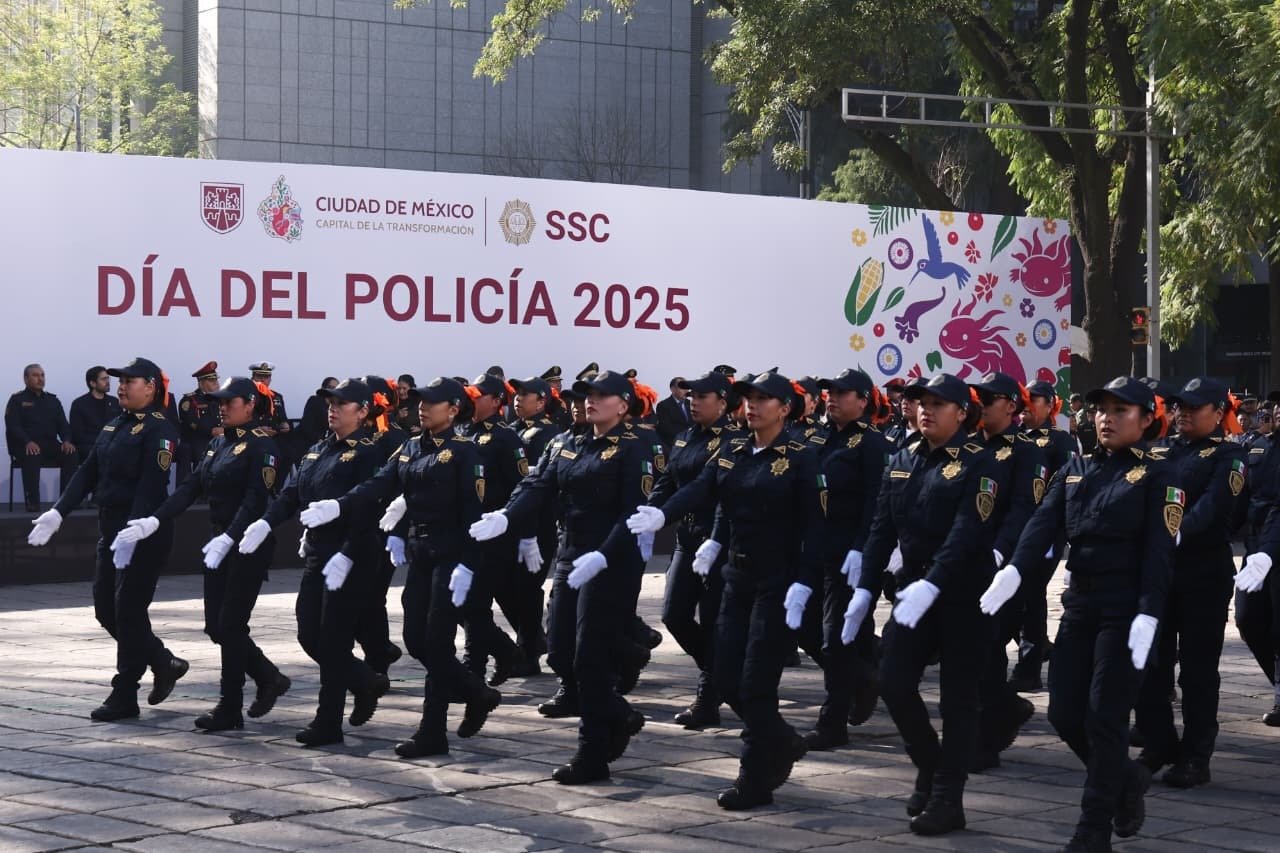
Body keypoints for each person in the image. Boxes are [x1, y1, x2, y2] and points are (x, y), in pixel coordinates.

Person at [979, 376, 1180, 851]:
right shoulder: (1074, 469)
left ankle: (1093, 830)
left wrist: (1150, 613)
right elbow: (1041, 525)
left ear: (1147, 419)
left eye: (1120, 410)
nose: (1106, 418)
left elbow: (1160, 550)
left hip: (1127, 609)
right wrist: (1014, 572)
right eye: (1100, 410)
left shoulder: (1157, 474)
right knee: (1065, 713)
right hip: (1080, 605)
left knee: (1104, 718)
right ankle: (1125, 778)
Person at [628, 370, 822, 810]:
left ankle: (754, 777)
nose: (752, 406)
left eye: (763, 399)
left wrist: (806, 582)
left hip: (779, 582)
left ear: (785, 408)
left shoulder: (802, 457)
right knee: (727, 674)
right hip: (737, 576)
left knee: (756, 682)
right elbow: (700, 487)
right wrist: (662, 515)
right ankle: (783, 738)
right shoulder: (732, 448)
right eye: (747, 399)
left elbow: (816, 526)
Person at [471, 369, 649, 785]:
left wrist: (604, 556)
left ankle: (592, 752)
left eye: (601, 396)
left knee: (590, 657)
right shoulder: (565, 442)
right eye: (585, 395)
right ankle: (619, 714)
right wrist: (506, 516)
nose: (589, 402)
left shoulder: (637, 445)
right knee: (561, 651)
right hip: (571, 553)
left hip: (612, 559)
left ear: (623, 405)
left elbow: (635, 512)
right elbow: (536, 485)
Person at [841, 373, 998, 835]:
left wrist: (936, 582)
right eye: (920, 402)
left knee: (958, 697)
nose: (925, 410)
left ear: (962, 412)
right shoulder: (903, 458)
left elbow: (969, 532)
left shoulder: (980, 463)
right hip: (912, 591)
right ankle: (930, 764)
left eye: (937, 403)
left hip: (963, 593)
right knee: (892, 680)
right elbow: (881, 528)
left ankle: (949, 796)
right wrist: (866, 589)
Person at [319, 377, 502, 757]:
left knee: (435, 640)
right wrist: (342, 505)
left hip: (451, 553)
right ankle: (475, 691)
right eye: (419, 401)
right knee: (417, 640)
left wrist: (469, 564)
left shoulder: (464, 452)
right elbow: (380, 485)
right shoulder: (410, 446)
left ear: (453, 409)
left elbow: (473, 512)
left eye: (431, 402)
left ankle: (432, 730)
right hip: (421, 553)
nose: (421, 407)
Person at [113, 377, 290, 731]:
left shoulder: (263, 446)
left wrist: (230, 537)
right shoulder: (218, 445)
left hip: (245, 545)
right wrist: (155, 519)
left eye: (230, 402)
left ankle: (230, 705)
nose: (222, 408)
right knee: (216, 626)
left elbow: (257, 499)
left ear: (251, 404)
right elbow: (190, 487)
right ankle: (268, 676)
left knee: (231, 624)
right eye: (220, 402)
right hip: (217, 543)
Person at [27, 357, 187, 721]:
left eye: (130, 381)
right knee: (106, 610)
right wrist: (58, 512)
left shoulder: (161, 429)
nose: (121, 386)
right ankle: (164, 662)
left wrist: (133, 531)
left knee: (128, 612)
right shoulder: (115, 425)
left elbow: (152, 484)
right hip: (111, 527)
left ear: (150, 386)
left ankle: (125, 693)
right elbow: (87, 472)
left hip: (142, 531)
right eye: (119, 380)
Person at [237, 378, 390, 747]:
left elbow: (369, 509)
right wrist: (265, 522)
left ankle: (328, 722)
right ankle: (365, 681)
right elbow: (292, 495)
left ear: (364, 411)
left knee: (334, 640)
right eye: (330, 403)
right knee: (310, 635)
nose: (333, 409)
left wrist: (348, 553)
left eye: (342, 404)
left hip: (351, 556)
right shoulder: (319, 448)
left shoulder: (370, 453)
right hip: (319, 553)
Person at [1133, 378, 1245, 789]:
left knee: (1197, 671)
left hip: (1203, 576)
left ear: (1218, 412)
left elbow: (1212, 509)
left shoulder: (1230, 456)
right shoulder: (1160, 450)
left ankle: (1197, 755)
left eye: (1194, 408)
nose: (1182, 414)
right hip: (1158, 574)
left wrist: (1166, 536)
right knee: (1150, 664)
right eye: (1179, 406)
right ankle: (1159, 741)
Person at [796, 369, 888, 750]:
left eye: (842, 392)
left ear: (863, 400)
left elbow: (877, 501)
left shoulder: (872, 443)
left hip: (850, 554)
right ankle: (864, 679)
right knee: (804, 628)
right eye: (829, 392)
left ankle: (833, 721)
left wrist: (862, 547)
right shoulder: (816, 436)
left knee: (838, 637)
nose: (832, 398)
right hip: (814, 548)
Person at [648, 369, 739, 729]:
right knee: (674, 615)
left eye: (701, 397)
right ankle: (721, 676)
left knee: (715, 621)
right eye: (690, 397)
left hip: (718, 541)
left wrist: (664, 512)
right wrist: (652, 510)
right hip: (687, 540)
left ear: (722, 402)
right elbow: (669, 479)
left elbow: (705, 487)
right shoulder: (686, 437)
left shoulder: (734, 440)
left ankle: (708, 698)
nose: (693, 402)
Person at [967, 373, 1047, 772]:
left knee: (988, 647)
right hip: (963, 561)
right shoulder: (967, 445)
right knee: (969, 650)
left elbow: (1025, 509)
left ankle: (985, 739)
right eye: (976, 396)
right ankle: (1006, 707)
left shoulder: (1025, 451)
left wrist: (1002, 553)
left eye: (989, 398)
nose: (980, 403)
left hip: (1005, 566)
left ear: (1012, 406)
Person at [458, 373, 529, 684]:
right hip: (463, 530)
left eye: (479, 395)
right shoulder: (462, 431)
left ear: (496, 400)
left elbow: (522, 487)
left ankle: (473, 667)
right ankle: (504, 649)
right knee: (460, 602)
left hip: (494, 533)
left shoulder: (506, 438)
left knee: (475, 602)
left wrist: (522, 532)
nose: (472, 399)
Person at [1009, 379, 1079, 692]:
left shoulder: (1059, 440)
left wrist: (1057, 534)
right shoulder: (1012, 437)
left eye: (1035, 399)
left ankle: (1029, 667)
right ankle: (1039, 648)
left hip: (1044, 530)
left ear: (1050, 405)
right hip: (1013, 530)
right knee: (1013, 599)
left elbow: (1066, 487)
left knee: (1030, 598)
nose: (1027, 405)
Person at [504, 375, 562, 670]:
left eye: (525, 395)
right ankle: (532, 639)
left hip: (538, 524)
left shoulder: (548, 434)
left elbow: (537, 482)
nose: (517, 399)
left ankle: (528, 652)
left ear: (541, 402)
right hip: (512, 521)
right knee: (508, 587)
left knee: (526, 588)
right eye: (516, 394)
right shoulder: (511, 429)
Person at [6, 363, 77, 512]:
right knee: (33, 454)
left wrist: (66, 440)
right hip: (25, 445)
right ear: (26, 379)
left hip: (49, 444)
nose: (40, 379)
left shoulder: (52, 400)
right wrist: (27, 441)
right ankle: (33, 502)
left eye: (42, 375)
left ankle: (65, 501)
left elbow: (63, 425)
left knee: (71, 454)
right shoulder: (17, 400)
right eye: (35, 375)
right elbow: (13, 426)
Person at [175, 362, 223, 485]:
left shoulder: (221, 399)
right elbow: (191, 422)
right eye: (211, 381)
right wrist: (211, 430)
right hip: (196, 439)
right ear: (201, 383)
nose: (216, 383)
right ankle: (198, 490)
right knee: (204, 450)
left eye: (216, 380)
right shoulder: (190, 400)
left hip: (219, 438)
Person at [69, 366, 122, 466]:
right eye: (103, 379)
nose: (107, 382)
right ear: (92, 383)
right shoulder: (79, 404)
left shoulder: (114, 402)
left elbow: (121, 427)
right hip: (89, 447)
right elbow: (78, 436)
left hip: (112, 445)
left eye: (108, 378)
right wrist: (103, 441)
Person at [297, 376, 338, 446]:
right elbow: (306, 424)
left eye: (336, 388)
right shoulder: (315, 400)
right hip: (307, 440)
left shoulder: (337, 405)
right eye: (330, 387)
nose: (333, 390)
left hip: (326, 442)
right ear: (324, 388)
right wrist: (318, 439)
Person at [655, 377, 691, 449]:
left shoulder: (690, 404)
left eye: (687, 388)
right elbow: (666, 429)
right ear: (673, 389)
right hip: (672, 446)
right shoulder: (663, 405)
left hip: (691, 446)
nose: (686, 391)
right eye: (682, 387)